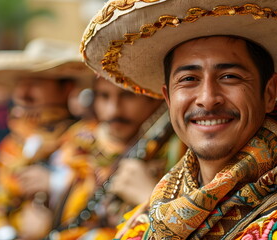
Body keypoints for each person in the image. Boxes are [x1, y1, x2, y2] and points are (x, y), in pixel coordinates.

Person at [79, 0, 277, 239]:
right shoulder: (143, 222)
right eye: (188, 79)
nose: (207, 98)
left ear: (269, 93)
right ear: (168, 98)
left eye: (229, 76)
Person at [0, 38, 94, 240]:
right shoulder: (12, 145)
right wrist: (9, 234)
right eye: (20, 85)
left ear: (66, 88)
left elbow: (100, 202)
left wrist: (55, 184)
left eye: (35, 83)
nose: (23, 94)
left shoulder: (89, 139)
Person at [45, 76, 183, 239]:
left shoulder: (179, 151)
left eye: (128, 95)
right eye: (104, 96)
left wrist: (150, 197)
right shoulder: (78, 141)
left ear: (153, 98)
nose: (114, 110)